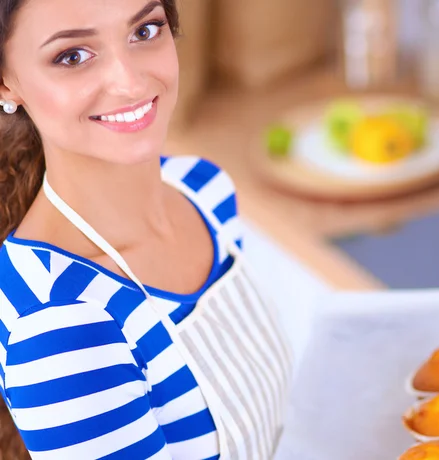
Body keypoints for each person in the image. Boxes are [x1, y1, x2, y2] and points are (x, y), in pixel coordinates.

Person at [0, 0, 292, 459]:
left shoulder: (205, 190)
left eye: (145, 31)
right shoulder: (60, 328)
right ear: (6, 81)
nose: (131, 81)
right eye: (72, 56)